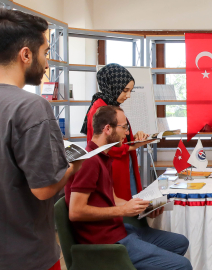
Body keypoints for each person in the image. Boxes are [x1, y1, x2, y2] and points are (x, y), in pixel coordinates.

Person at [0, 8, 83, 270]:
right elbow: (44, 188)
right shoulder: (31, 107)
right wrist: (75, 164)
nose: (47, 63)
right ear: (26, 54)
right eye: (45, 53)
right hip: (26, 256)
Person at [66, 105, 192, 270]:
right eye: (124, 127)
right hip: (108, 241)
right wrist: (123, 211)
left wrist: (142, 207)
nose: (127, 132)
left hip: (119, 229)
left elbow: (113, 199)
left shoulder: (103, 156)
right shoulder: (90, 161)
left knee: (180, 243)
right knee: (182, 265)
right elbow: (75, 212)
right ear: (107, 129)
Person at [81, 63, 148, 200]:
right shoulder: (99, 109)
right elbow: (104, 145)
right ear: (112, 85)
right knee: (121, 208)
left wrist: (133, 138)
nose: (128, 95)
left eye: (130, 91)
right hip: (113, 167)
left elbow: (117, 136)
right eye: (125, 90)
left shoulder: (110, 105)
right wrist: (134, 145)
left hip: (121, 164)